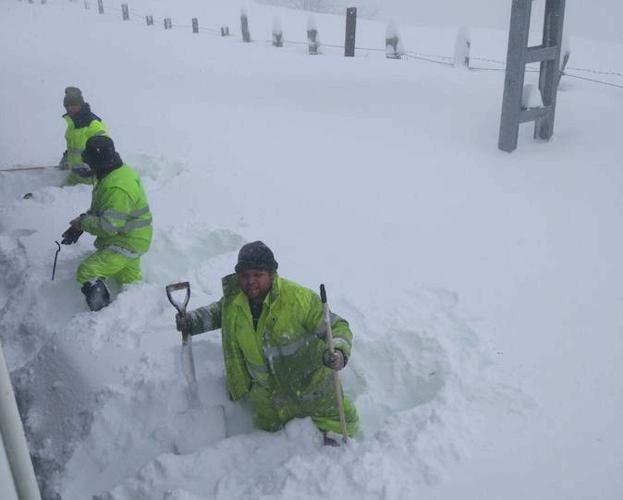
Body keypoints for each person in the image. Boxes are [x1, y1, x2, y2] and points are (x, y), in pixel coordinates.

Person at [175, 241, 359, 445]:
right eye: (244, 275)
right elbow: (219, 313)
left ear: (272, 274)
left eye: (257, 275)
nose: (250, 281)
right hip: (267, 403)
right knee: (269, 452)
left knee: (335, 452)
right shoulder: (235, 300)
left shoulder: (298, 300)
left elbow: (337, 327)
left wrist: (339, 351)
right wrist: (191, 321)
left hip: (313, 397)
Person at [61, 136, 153, 311]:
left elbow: (109, 227)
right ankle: (137, 311)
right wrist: (82, 221)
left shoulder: (116, 187)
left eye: (89, 162)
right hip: (135, 237)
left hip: (125, 242)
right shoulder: (116, 172)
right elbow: (105, 208)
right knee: (130, 283)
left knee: (87, 272)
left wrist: (85, 223)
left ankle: (103, 314)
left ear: (99, 162)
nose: (87, 166)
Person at [60, 86, 108, 185]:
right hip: (74, 178)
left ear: (80, 104)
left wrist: (93, 168)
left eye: (73, 105)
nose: (69, 108)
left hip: (91, 183)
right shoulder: (72, 125)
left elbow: (106, 151)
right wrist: (67, 157)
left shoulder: (93, 124)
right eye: (67, 105)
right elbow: (74, 147)